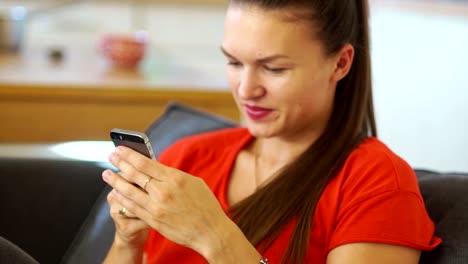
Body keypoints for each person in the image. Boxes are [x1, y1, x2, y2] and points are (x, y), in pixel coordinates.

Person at [101, 0, 441, 263]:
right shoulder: (185, 157)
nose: (246, 89)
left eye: (273, 68)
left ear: (340, 63)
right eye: (234, 62)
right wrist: (127, 243)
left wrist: (214, 236)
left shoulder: (377, 184)